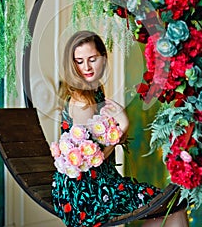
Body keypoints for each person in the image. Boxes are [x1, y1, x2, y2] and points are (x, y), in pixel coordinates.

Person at [51, 30, 189, 227]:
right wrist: (123, 127)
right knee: (173, 205)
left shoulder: (94, 90)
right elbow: (87, 163)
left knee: (173, 205)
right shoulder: (82, 101)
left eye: (92, 59)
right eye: (79, 61)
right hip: (85, 192)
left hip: (104, 181)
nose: (87, 68)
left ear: (103, 58)